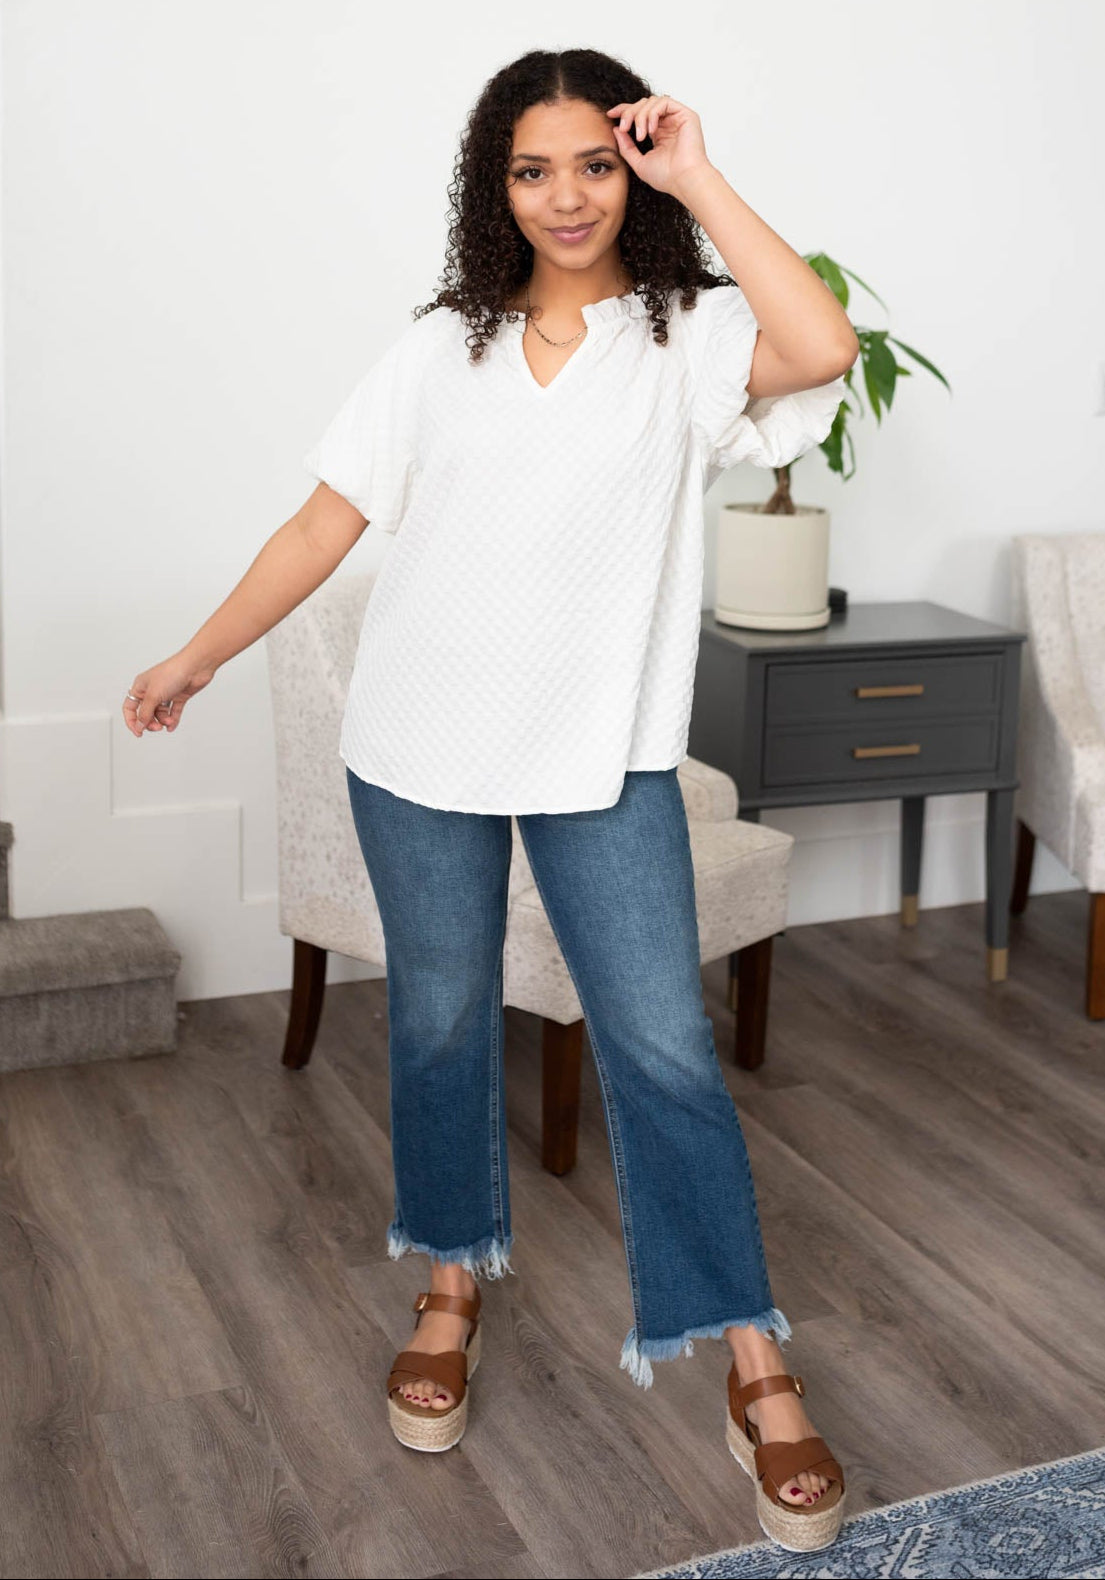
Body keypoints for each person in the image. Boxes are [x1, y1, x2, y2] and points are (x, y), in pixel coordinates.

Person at [122, 47, 858, 1553]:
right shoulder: (436, 348)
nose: (570, 195)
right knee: (443, 1020)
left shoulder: (690, 338)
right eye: (535, 169)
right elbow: (324, 520)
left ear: (631, 169)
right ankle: (449, 1281)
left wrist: (696, 171)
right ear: (495, 187)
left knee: (661, 1046)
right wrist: (196, 654)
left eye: (597, 161)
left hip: (603, 758)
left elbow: (826, 344)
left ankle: (748, 1355)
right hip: (416, 749)